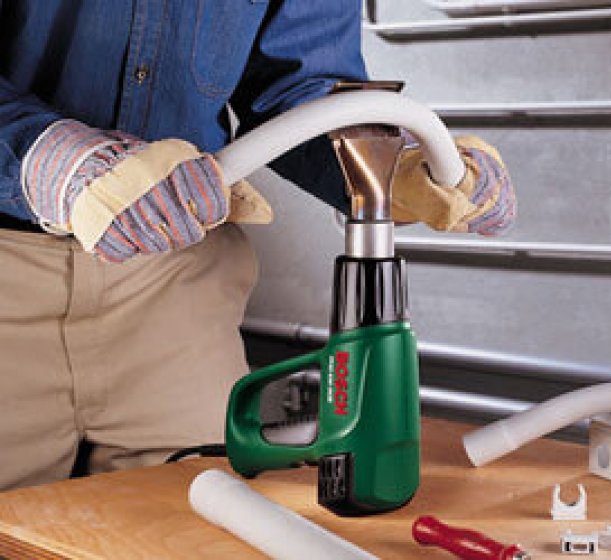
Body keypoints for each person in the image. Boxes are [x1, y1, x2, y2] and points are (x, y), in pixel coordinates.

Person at [0, 1, 515, 490]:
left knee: (193, 521)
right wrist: (49, 162)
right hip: (10, 277)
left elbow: (300, 82)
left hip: (173, 290)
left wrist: (390, 164)